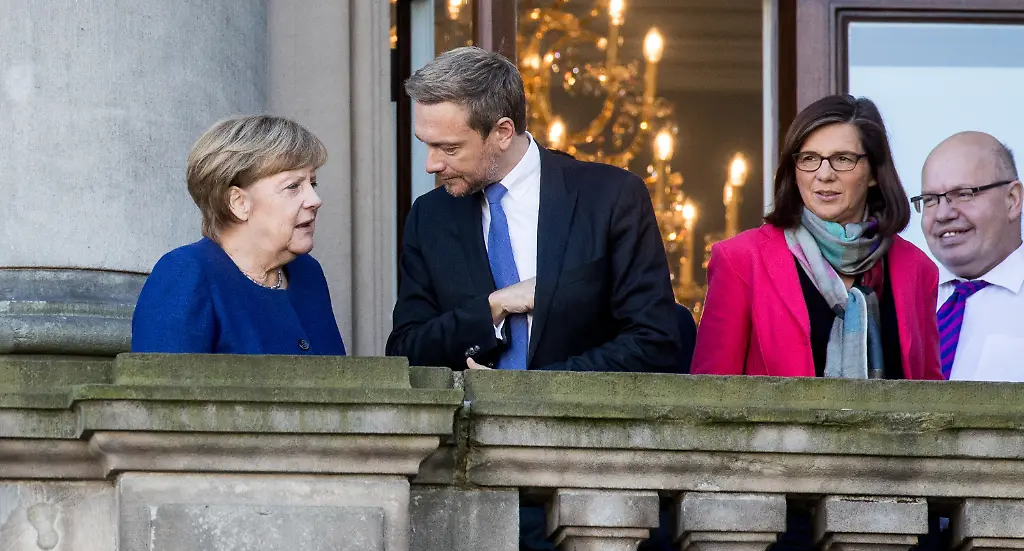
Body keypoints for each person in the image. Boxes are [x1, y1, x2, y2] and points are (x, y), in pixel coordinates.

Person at [386, 46, 680, 373]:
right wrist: (492, 308)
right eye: (427, 144)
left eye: (449, 148)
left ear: (503, 132)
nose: (431, 165)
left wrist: (528, 391)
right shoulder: (430, 216)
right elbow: (405, 351)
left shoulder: (611, 197)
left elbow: (655, 342)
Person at [692, 94, 941, 380]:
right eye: (809, 159)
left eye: (842, 159)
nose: (824, 174)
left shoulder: (917, 269)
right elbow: (710, 393)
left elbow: (931, 392)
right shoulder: (741, 260)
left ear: (874, 171)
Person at [131, 115, 346, 355]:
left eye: (312, 184)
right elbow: (160, 378)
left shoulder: (308, 273)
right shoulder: (186, 274)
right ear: (238, 202)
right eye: (293, 186)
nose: (315, 200)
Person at [917, 131, 1024, 382]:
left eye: (964, 194)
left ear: (1012, 200)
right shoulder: (906, 297)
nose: (943, 214)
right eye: (930, 200)